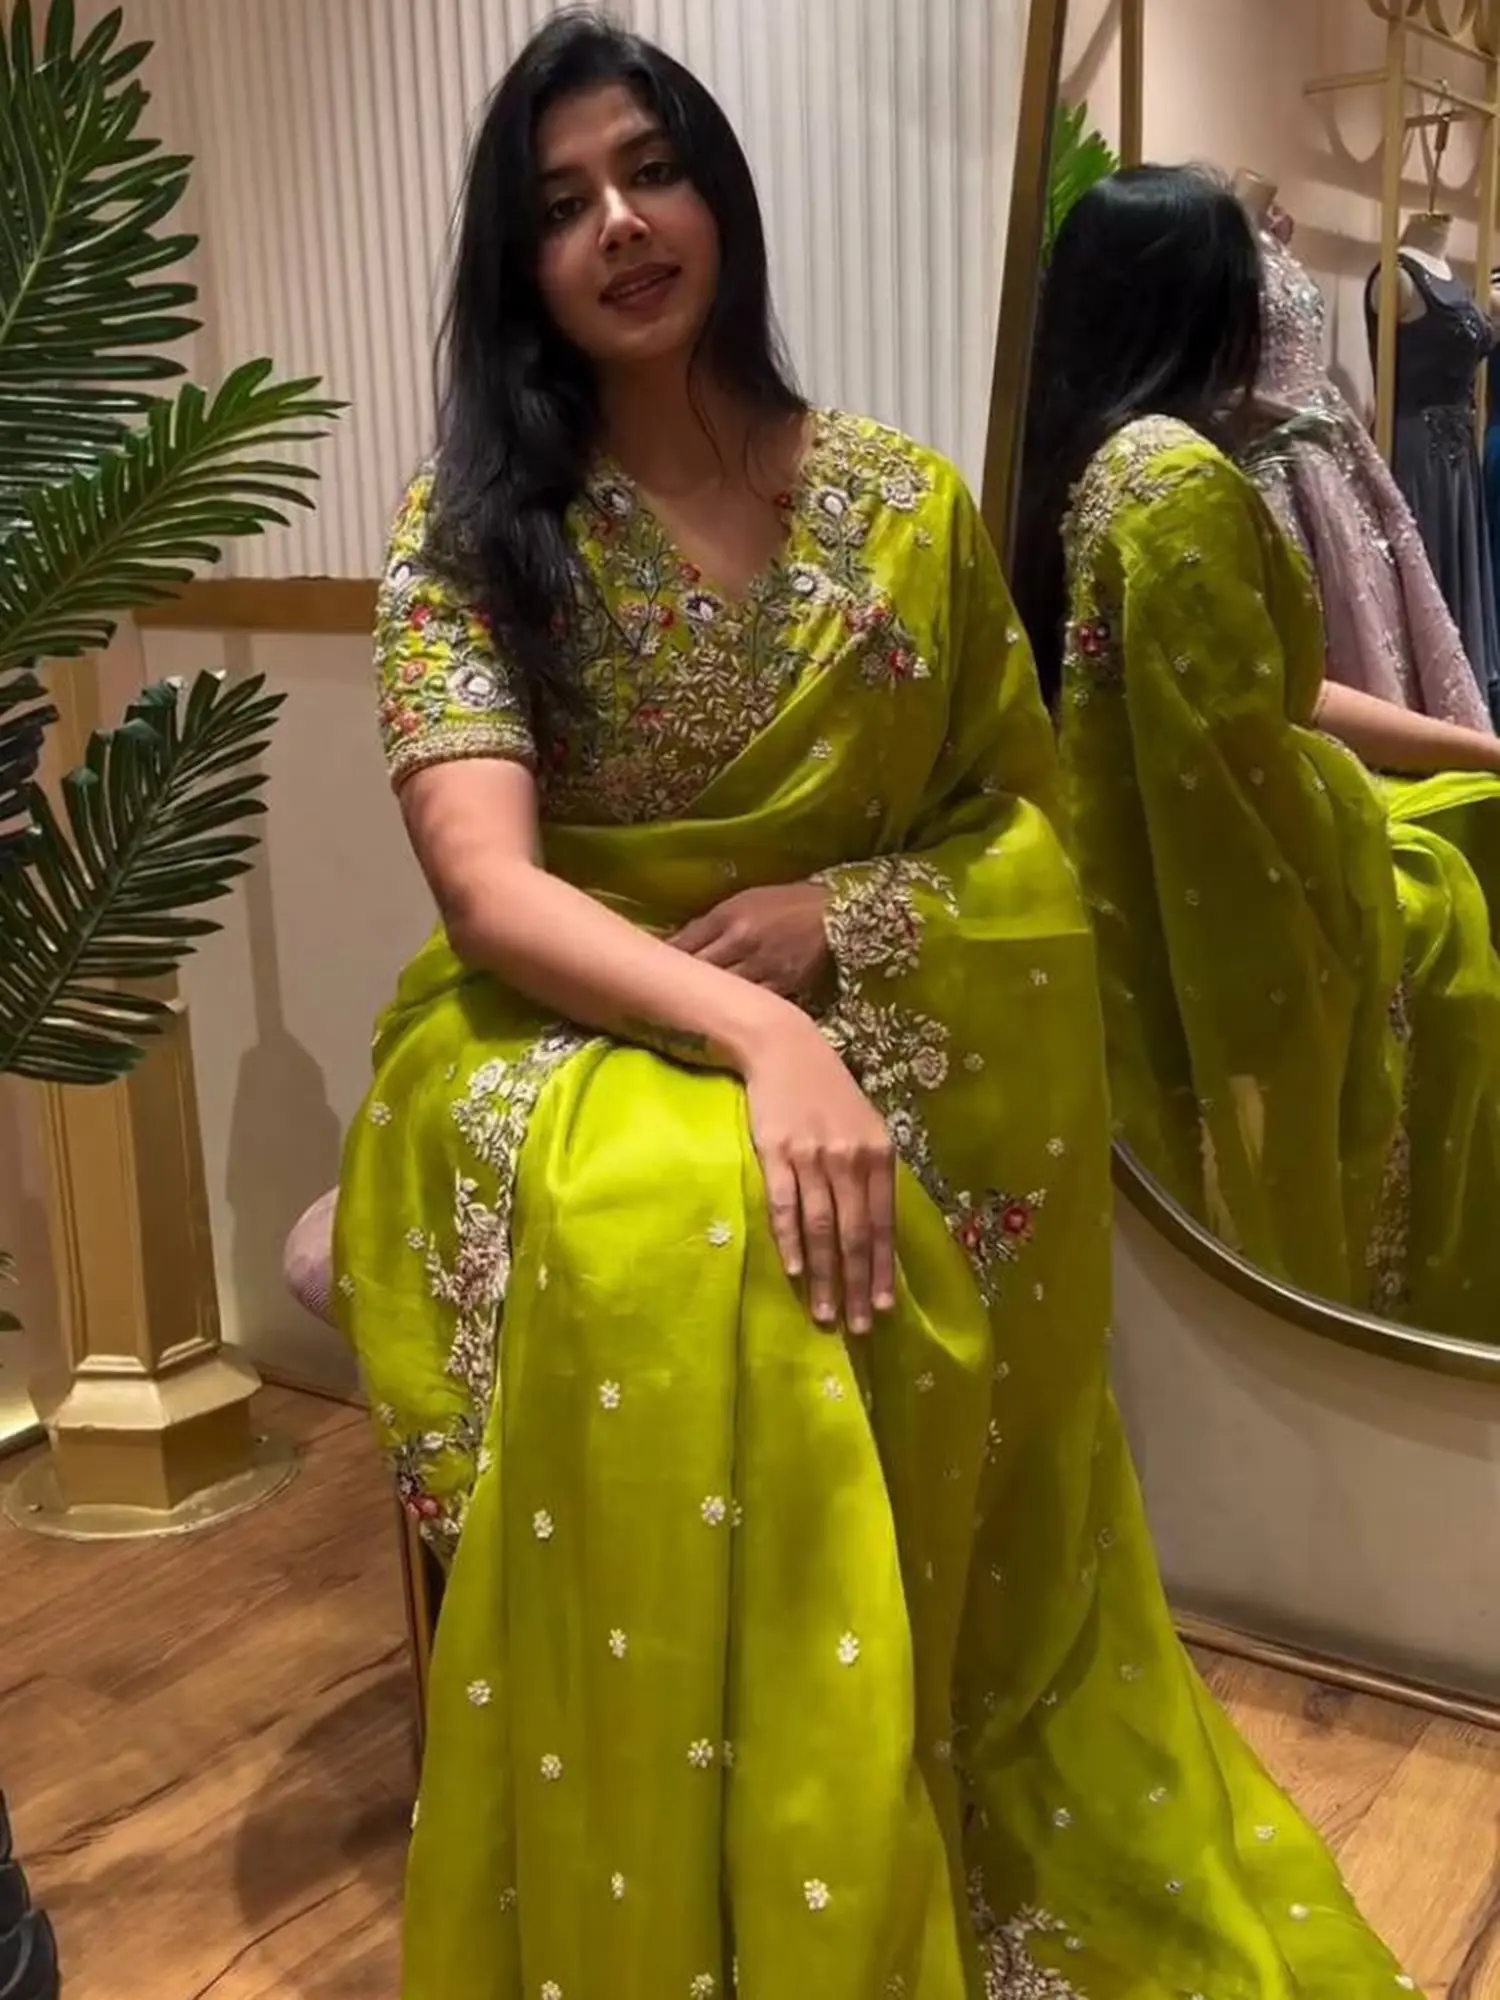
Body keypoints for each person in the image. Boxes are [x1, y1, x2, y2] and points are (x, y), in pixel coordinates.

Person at [337, 22, 1418, 1996]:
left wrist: (847, 925)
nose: (619, 224)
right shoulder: (475, 530)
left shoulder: (903, 507)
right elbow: (491, 892)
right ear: (520, 266)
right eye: (562, 204)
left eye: (650, 170)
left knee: (857, 1221)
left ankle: (902, 1786)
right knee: (690, 1227)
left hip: (879, 991)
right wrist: (760, 1034)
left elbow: (1024, 829)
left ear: (719, 197)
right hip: (561, 1020)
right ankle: (715, 1861)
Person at [1018, 162, 1500, 1336]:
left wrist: (1473, 750)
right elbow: (1247, 782)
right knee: (1453, 906)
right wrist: (1388, 834)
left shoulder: (1096, 457)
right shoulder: (1179, 486)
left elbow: (1274, 700)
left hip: (1137, 865)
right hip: (1220, 887)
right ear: (1199, 306)